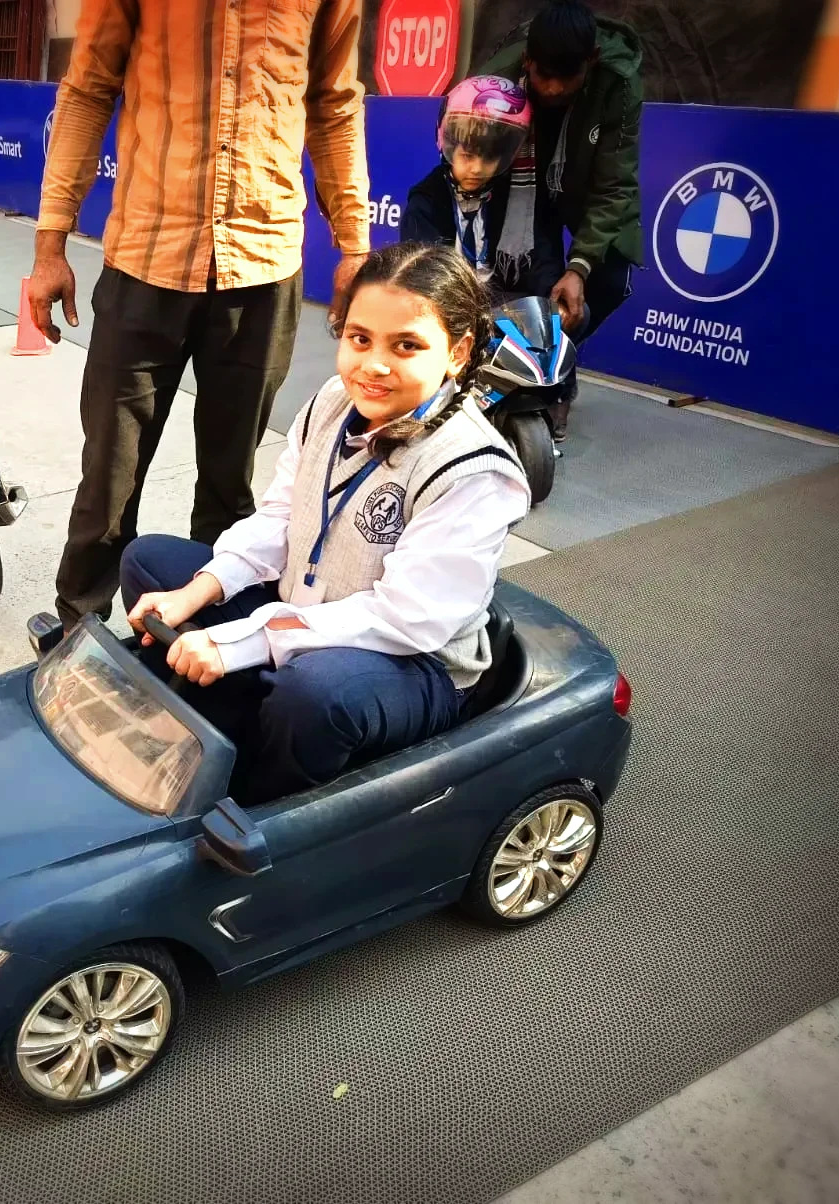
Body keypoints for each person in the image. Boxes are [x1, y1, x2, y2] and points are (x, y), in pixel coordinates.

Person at [118, 243, 532, 807]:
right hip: (303, 610)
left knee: (315, 693)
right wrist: (197, 593)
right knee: (148, 562)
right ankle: (234, 714)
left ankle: (259, 801)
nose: (374, 365)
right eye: (360, 339)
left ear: (457, 353)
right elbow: (279, 520)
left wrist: (243, 641)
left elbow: (407, 619)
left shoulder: (476, 470)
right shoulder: (333, 401)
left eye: (406, 346)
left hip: (408, 660)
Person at [30, 0, 371, 629]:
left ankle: (207, 637)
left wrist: (354, 244)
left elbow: (334, 103)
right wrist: (50, 244)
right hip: (146, 259)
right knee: (109, 478)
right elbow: (87, 89)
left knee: (229, 484)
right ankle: (79, 628)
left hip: (262, 265)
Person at [477, 0, 645, 440]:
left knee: (607, 282)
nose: (551, 89)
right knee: (529, 279)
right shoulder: (497, 77)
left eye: (566, 77)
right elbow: (461, 141)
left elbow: (614, 186)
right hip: (519, 180)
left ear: (592, 61)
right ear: (527, 61)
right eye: (542, 75)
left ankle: (556, 369)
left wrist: (580, 267)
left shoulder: (618, 83)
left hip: (582, 181)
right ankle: (513, 374)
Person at [400, 75, 566, 297]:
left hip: (506, 310)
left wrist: (551, 301)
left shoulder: (522, 200)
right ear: (447, 145)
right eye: (467, 156)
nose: (477, 169)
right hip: (446, 306)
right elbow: (422, 277)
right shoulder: (427, 201)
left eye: (489, 158)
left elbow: (544, 267)